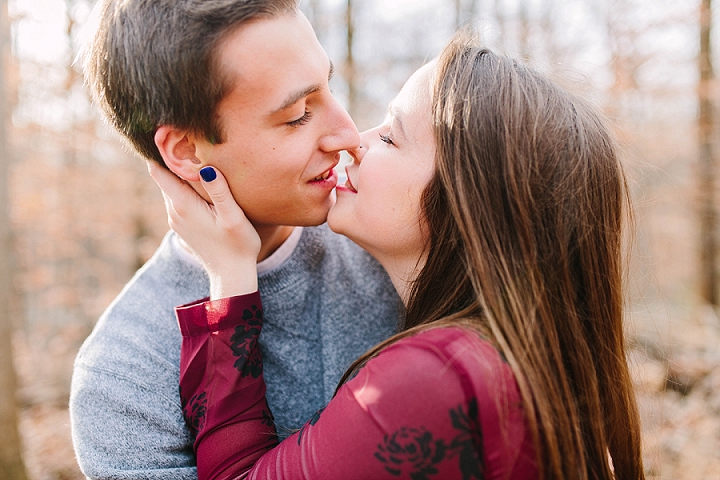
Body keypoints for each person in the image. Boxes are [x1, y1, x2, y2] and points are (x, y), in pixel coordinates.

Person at [151, 34, 646, 479]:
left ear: (465, 201)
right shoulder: (524, 359)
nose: (355, 141)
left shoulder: (435, 377)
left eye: (390, 136)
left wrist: (230, 275)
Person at [69, 1, 401, 478]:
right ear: (185, 152)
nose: (348, 133)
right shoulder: (124, 377)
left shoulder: (393, 249)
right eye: (298, 115)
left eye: (330, 87)